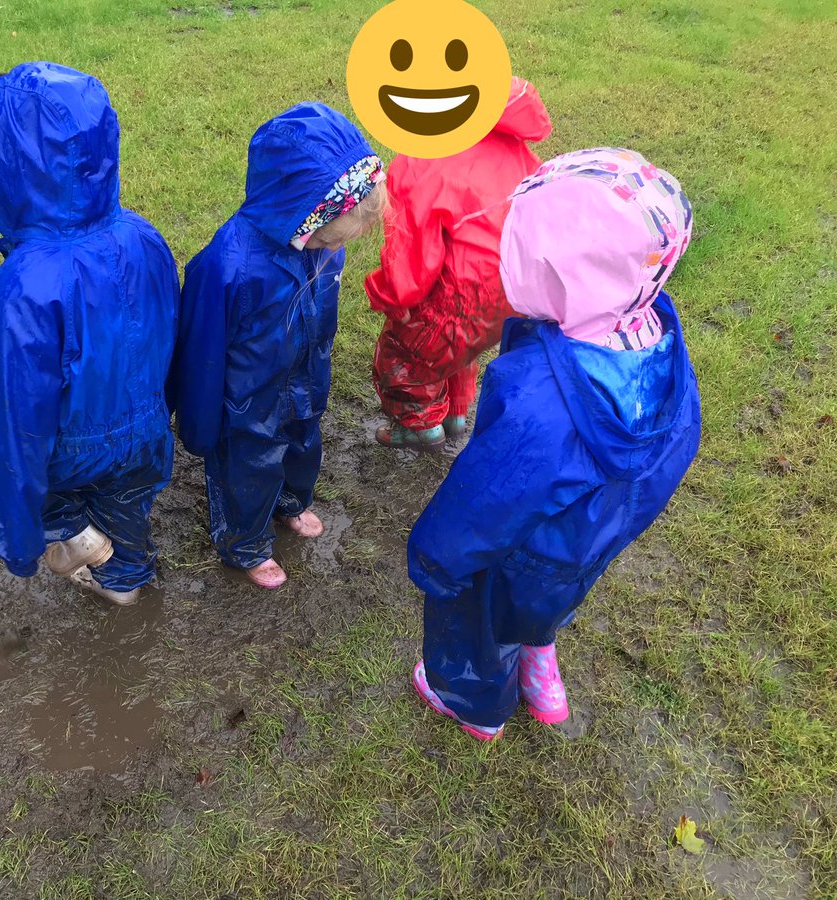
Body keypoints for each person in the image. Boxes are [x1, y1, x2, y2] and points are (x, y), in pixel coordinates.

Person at [408, 148, 700, 740]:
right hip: (591, 537)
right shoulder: (655, 328)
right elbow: (681, 442)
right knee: (542, 606)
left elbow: (489, 499)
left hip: (525, 551)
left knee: (483, 622)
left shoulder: (542, 400)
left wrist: (436, 559)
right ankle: (540, 664)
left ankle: (472, 705)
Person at [0, 62, 178, 606]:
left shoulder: (25, 281)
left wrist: (19, 538)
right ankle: (124, 583)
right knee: (128, 514)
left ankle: (69, 531)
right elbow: (169, 332)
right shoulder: (144, 236)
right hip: (145, 430)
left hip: (71, 451)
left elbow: (21, 419)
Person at [170, 103, 386, 589]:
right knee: (249, 467)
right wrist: (201, 425)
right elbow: (200, 352)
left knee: (303, 443)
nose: (336, 248)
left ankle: (292, 501)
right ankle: (244, 543)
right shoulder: (227, 267)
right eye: (332, 238)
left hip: (304, 377)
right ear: (306, 213)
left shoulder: (323, 246)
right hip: (247, 398)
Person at [365, 77, 551, 451]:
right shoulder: (520, 154)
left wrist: (391, 297)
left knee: (408, 351)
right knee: (461, 348)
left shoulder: (422, 162)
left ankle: (420, 425)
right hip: (514, 292)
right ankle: (455, 414)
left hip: (464, 292)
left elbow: (412, 253)